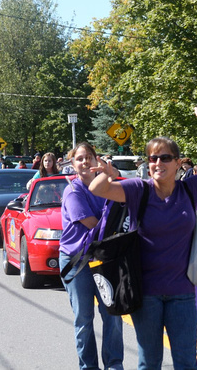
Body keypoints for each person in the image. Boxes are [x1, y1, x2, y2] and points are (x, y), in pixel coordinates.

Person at [89, 105, 197, 370]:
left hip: (182, 293)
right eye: (153, 158)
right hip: (146, 293)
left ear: (179, 163)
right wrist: (105, 172)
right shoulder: (139, 189)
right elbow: (98, 189)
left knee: (186, 362)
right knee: (149, 362)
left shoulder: (190, 189)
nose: (158, 163)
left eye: (165, 157)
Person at [59, 142, 124, 370]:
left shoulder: (108, 185)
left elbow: (126, 189)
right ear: (73, 164)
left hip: (103, 257)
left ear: (96, 160)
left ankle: (114, 364)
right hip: (77, 260)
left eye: (89, 157)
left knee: (112, 314)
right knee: (84, 319)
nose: (85, 161)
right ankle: (88, 367)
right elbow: (93, 225)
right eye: (79, 158)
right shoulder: (73, 191)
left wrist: (110, 172)